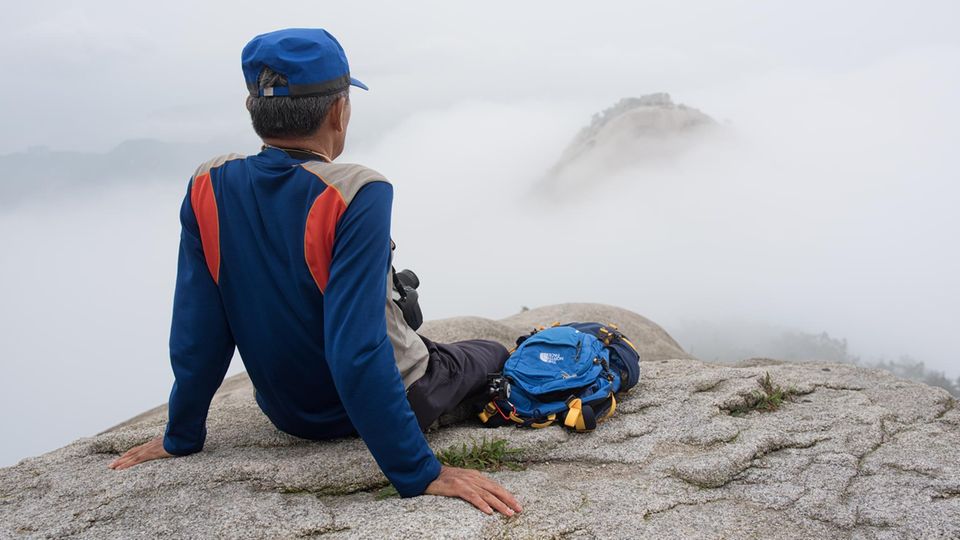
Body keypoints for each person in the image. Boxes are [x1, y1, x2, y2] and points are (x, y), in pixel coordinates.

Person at [108, 28, 521, 517]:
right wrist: (419, 472)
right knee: (490, 349)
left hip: (289, 414)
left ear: (252, 109)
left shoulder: (208, 185)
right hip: (387, 401)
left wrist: (182, 435)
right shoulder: (358, 191)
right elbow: (357, 348)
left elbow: (199, 328)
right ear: (338, 112)